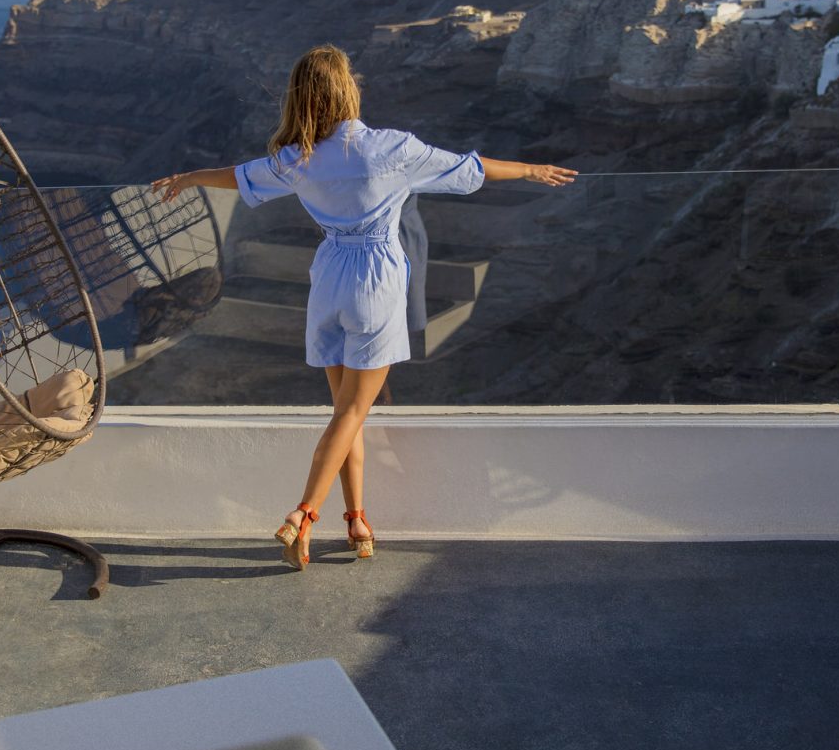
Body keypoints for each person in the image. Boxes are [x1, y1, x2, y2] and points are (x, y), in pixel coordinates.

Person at [150, 45, 576, 566]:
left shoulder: (299, 158)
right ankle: (304, 512)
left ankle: (356, 520)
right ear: (346, 89)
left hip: (329, 276)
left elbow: (239, 175)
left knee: (345, 414)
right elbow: (470, 169)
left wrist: (191, 177)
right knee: (354, 411)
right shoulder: (392, 148)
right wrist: (530, 169)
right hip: (375, 281)